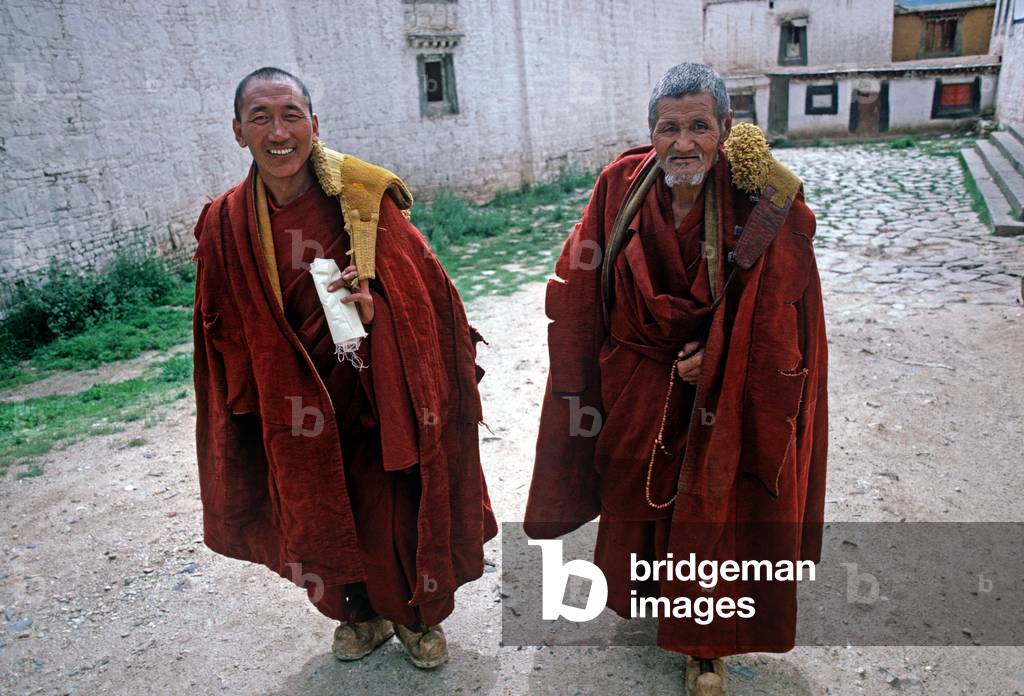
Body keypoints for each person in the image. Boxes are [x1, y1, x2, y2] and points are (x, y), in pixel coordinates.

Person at [524, 63, 828, 696]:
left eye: (699, 127)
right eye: (669, 128)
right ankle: (658, 599)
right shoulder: (619, 184)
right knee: (639, 489)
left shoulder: (761, 195)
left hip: (728, 384)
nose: (683, 143)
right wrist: (589, 366)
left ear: (725, 130)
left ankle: (706, 646)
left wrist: (720, 357)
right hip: (637, 374)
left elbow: (782, 306)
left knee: (714, 505)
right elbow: (583, 274)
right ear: (651, 132)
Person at [192, 66, 497, 669]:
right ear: (237, 131)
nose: (278, 132)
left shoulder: (360, 198)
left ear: (314, 124)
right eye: (261, 118)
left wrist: (378, 311)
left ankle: (412, 617)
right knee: (317, 507)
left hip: (372, 389)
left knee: (391, 503)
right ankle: (361, 613)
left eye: (290, 116)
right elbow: (218, 321)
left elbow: (429, 295)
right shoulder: (225, 222)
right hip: (292, 401)